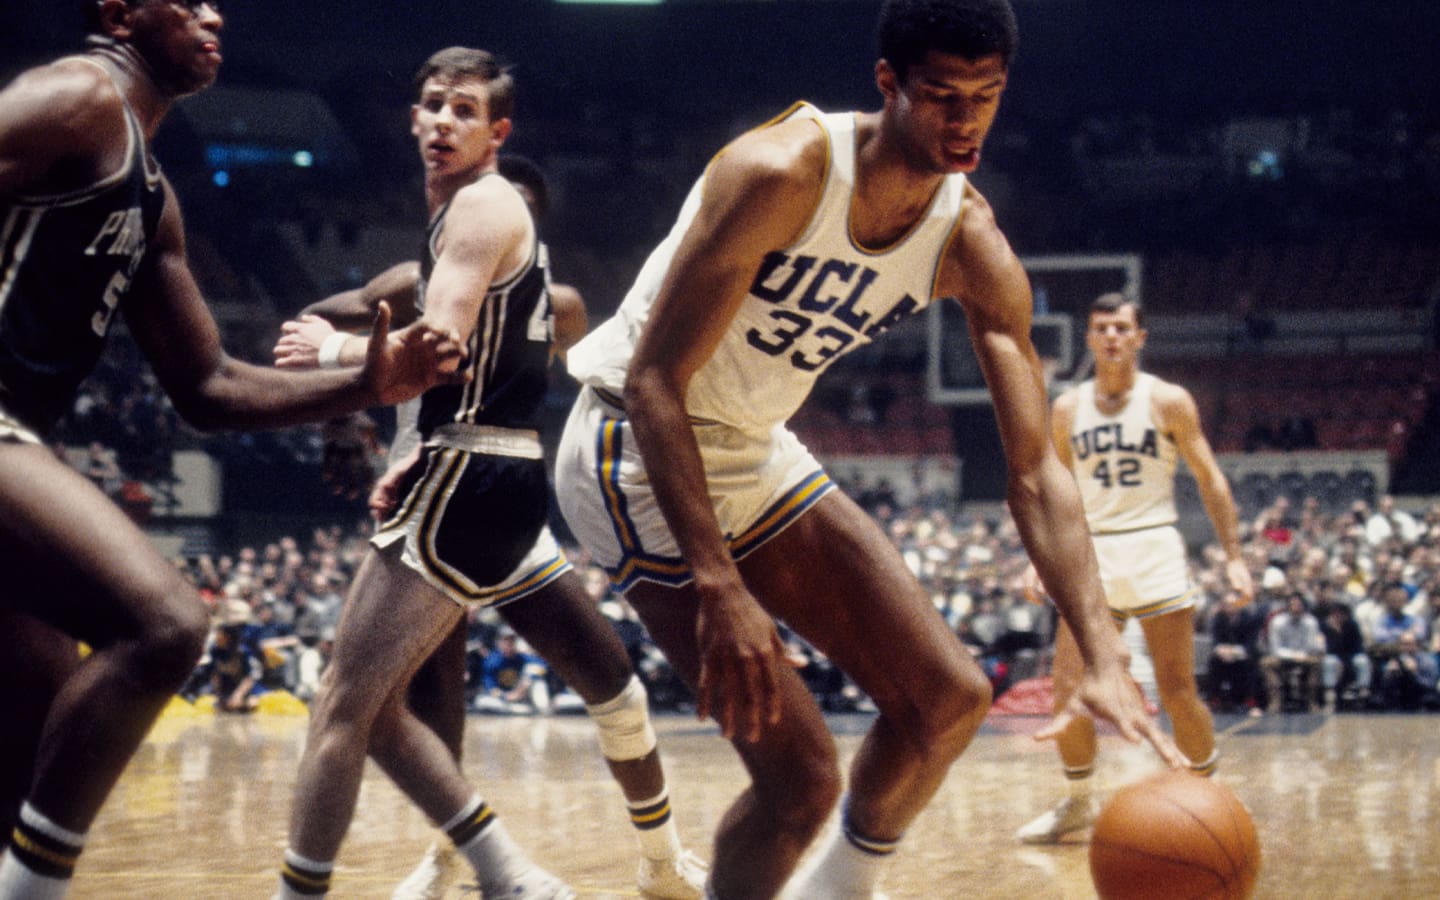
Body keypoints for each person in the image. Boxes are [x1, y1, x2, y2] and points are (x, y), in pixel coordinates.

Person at [553, 3, 1185, 897]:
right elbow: (656, 377)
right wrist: (720, 586)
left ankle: (836, 890)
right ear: (888, 84)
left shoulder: (968, 239)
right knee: (801, 780)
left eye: (987, 97)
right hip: (633, 444)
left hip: (751, 443)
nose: (964, 120)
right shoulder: (782, 170)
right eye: (940, 95)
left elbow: (1038, 471)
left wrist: (1105, 654)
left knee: (949, 699)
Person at [0, 4, 462, 897]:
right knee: (166, 622)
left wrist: (371, 383)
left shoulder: (152, 194)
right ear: (119, 13)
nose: (213, 12)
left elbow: (210, 387)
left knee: (41, 705)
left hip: (26, 429)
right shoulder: (76, 96)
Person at [274, 48, 703, 900]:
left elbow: (450, 357)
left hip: (471, 482)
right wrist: (346, 427)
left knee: (593, 683)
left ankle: (627, 861)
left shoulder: (514, 245)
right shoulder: (421, 262)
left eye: (461, 110)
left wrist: (335, 361)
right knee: (403, 710)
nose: (441, 121)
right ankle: (475, 861)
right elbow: (316, 326)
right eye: (432, 105)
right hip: (449, 476)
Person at [1014, 291, 1254, 843]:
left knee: (1176, 690)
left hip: (1153, 546)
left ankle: (1210, 797)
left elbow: (1211, 479)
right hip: (1089, 553)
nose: (1113, 337)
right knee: (1068, 691)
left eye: (1123, 328)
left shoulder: (1168, 400)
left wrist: (1235, 558)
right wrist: (1036, 558)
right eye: (1102, 328)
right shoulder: (1069, 407)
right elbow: (1055, 486)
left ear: (1140, 337)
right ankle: (1077, 804)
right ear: (1090, 338)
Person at [1259, 591, 1324, 713]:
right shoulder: (1277, 622)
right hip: (1283, 657)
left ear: (1303, 607)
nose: (1296, 609)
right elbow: (1275, 648)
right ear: (1288, 607)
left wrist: (1303, 656)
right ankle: (1275, 701)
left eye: (1299, 605)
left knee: (1317, 662)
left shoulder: (1311, 622)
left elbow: (1312, 645)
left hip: (1305, 657)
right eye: (1293, 605)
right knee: (1266, 663)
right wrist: (1292, 656)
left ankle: (1312, 702)